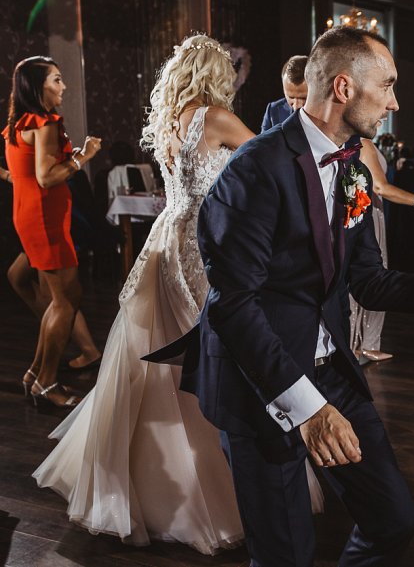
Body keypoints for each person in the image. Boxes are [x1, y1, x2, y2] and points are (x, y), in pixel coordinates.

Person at [160, 27, 414, 567]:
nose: (397, 103)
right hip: (260, 382)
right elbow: (234, 305)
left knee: (393, 520)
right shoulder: (255, 168)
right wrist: (308, 412)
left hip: (331, 371)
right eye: (389, 86)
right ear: (344, 87)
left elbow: (369, 280)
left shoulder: (352, 167)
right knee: (286, 556)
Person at [33, 35, 288, 554]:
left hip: (167, 238)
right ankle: (218, 484)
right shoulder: (215, 117)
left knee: (158, 351)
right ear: (215, 74)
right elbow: (271, 156)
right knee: (207, 347)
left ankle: (144, 481)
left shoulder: (172, 118)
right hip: (204, 240)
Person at [3, 56, 102, 408]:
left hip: (31, 216)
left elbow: (23, 175)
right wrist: (84, 156)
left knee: (60, 299)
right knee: (66, 300)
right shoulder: (45, 123)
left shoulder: (19, 124)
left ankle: (35, 373)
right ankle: (46, 384)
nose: (64, 86)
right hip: (45, 219)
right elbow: (46, 178)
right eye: (56, 80)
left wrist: (69, 159)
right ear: (37, 86)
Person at [350, 137, 414, 363]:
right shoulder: (363, 143)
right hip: (368, 213)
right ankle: (361, 345)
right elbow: (380, 186)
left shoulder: (359, 142)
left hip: (369, 211)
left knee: (370, 276)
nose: (383, 119)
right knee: (374, 277)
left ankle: (363, 344)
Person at [261, 54, 308, 132]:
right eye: (291, 97)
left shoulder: (327, 113)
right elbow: (262, 139)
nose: (296, 106)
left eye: (303, 98)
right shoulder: (273, 110)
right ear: (284, 90)